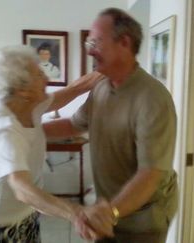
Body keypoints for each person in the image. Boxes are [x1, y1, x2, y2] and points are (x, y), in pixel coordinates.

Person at [43, 8, 178, 243]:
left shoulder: (153, 98)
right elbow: (75, 125)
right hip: (110, 212)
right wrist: (27, 132)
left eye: (95, 41)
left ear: (124, 43)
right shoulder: (101, 87)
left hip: (142, 220)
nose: (90, 49)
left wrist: (109, 212)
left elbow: (151, 173)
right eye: (89, 42)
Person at [0, 45, 115, 242]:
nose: (47, 79)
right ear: (23, 90)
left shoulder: (29, 105)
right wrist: (77, 213)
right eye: (40, 75)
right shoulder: (4, 131)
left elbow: (76, 88)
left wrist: (109, 66)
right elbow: (22, 189)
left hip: (25, 216)